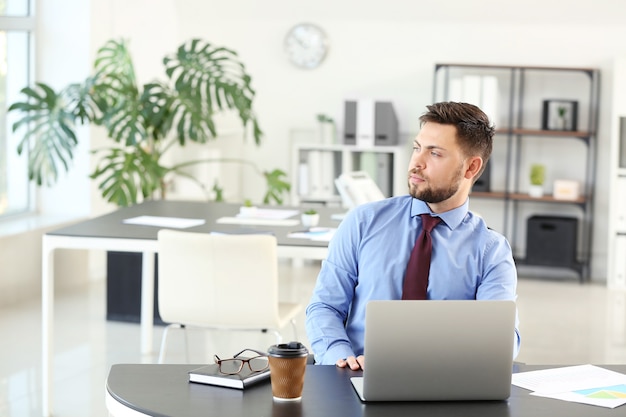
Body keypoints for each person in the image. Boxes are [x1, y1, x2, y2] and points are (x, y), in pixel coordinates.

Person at [305, 101, 520, 370]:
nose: (416, 163)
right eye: (417, 148)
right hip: (356, 378)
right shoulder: (363, 222)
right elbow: (325, 306)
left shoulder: (491, 251)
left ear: (471, 168)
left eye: (435, 154)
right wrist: (339, 357)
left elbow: (502, 339)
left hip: (442, 383)